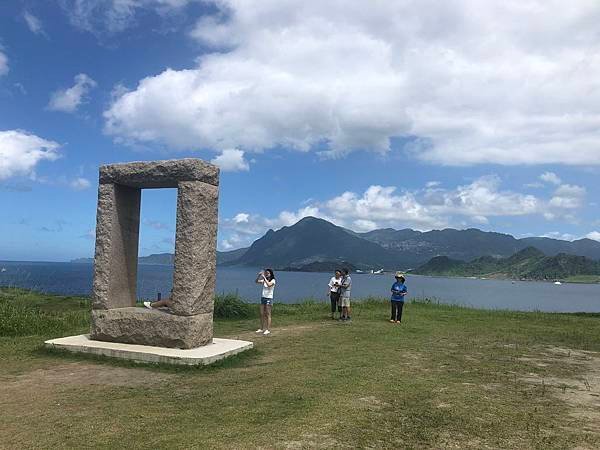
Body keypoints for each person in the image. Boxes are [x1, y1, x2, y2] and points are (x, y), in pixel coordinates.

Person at [255, 268, 276, 335]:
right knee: (261, 313)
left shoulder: (273, 280)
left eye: (268, 273)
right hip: (263, 298)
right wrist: (259, 276)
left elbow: (269, 285)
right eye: (266, 273)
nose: (267, 274)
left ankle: (268, 329)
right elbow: (256, 281)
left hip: (269, 298)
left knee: (268, 314)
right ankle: (261, 328)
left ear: (271, 274)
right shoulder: (264, 280)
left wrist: (264, 277)